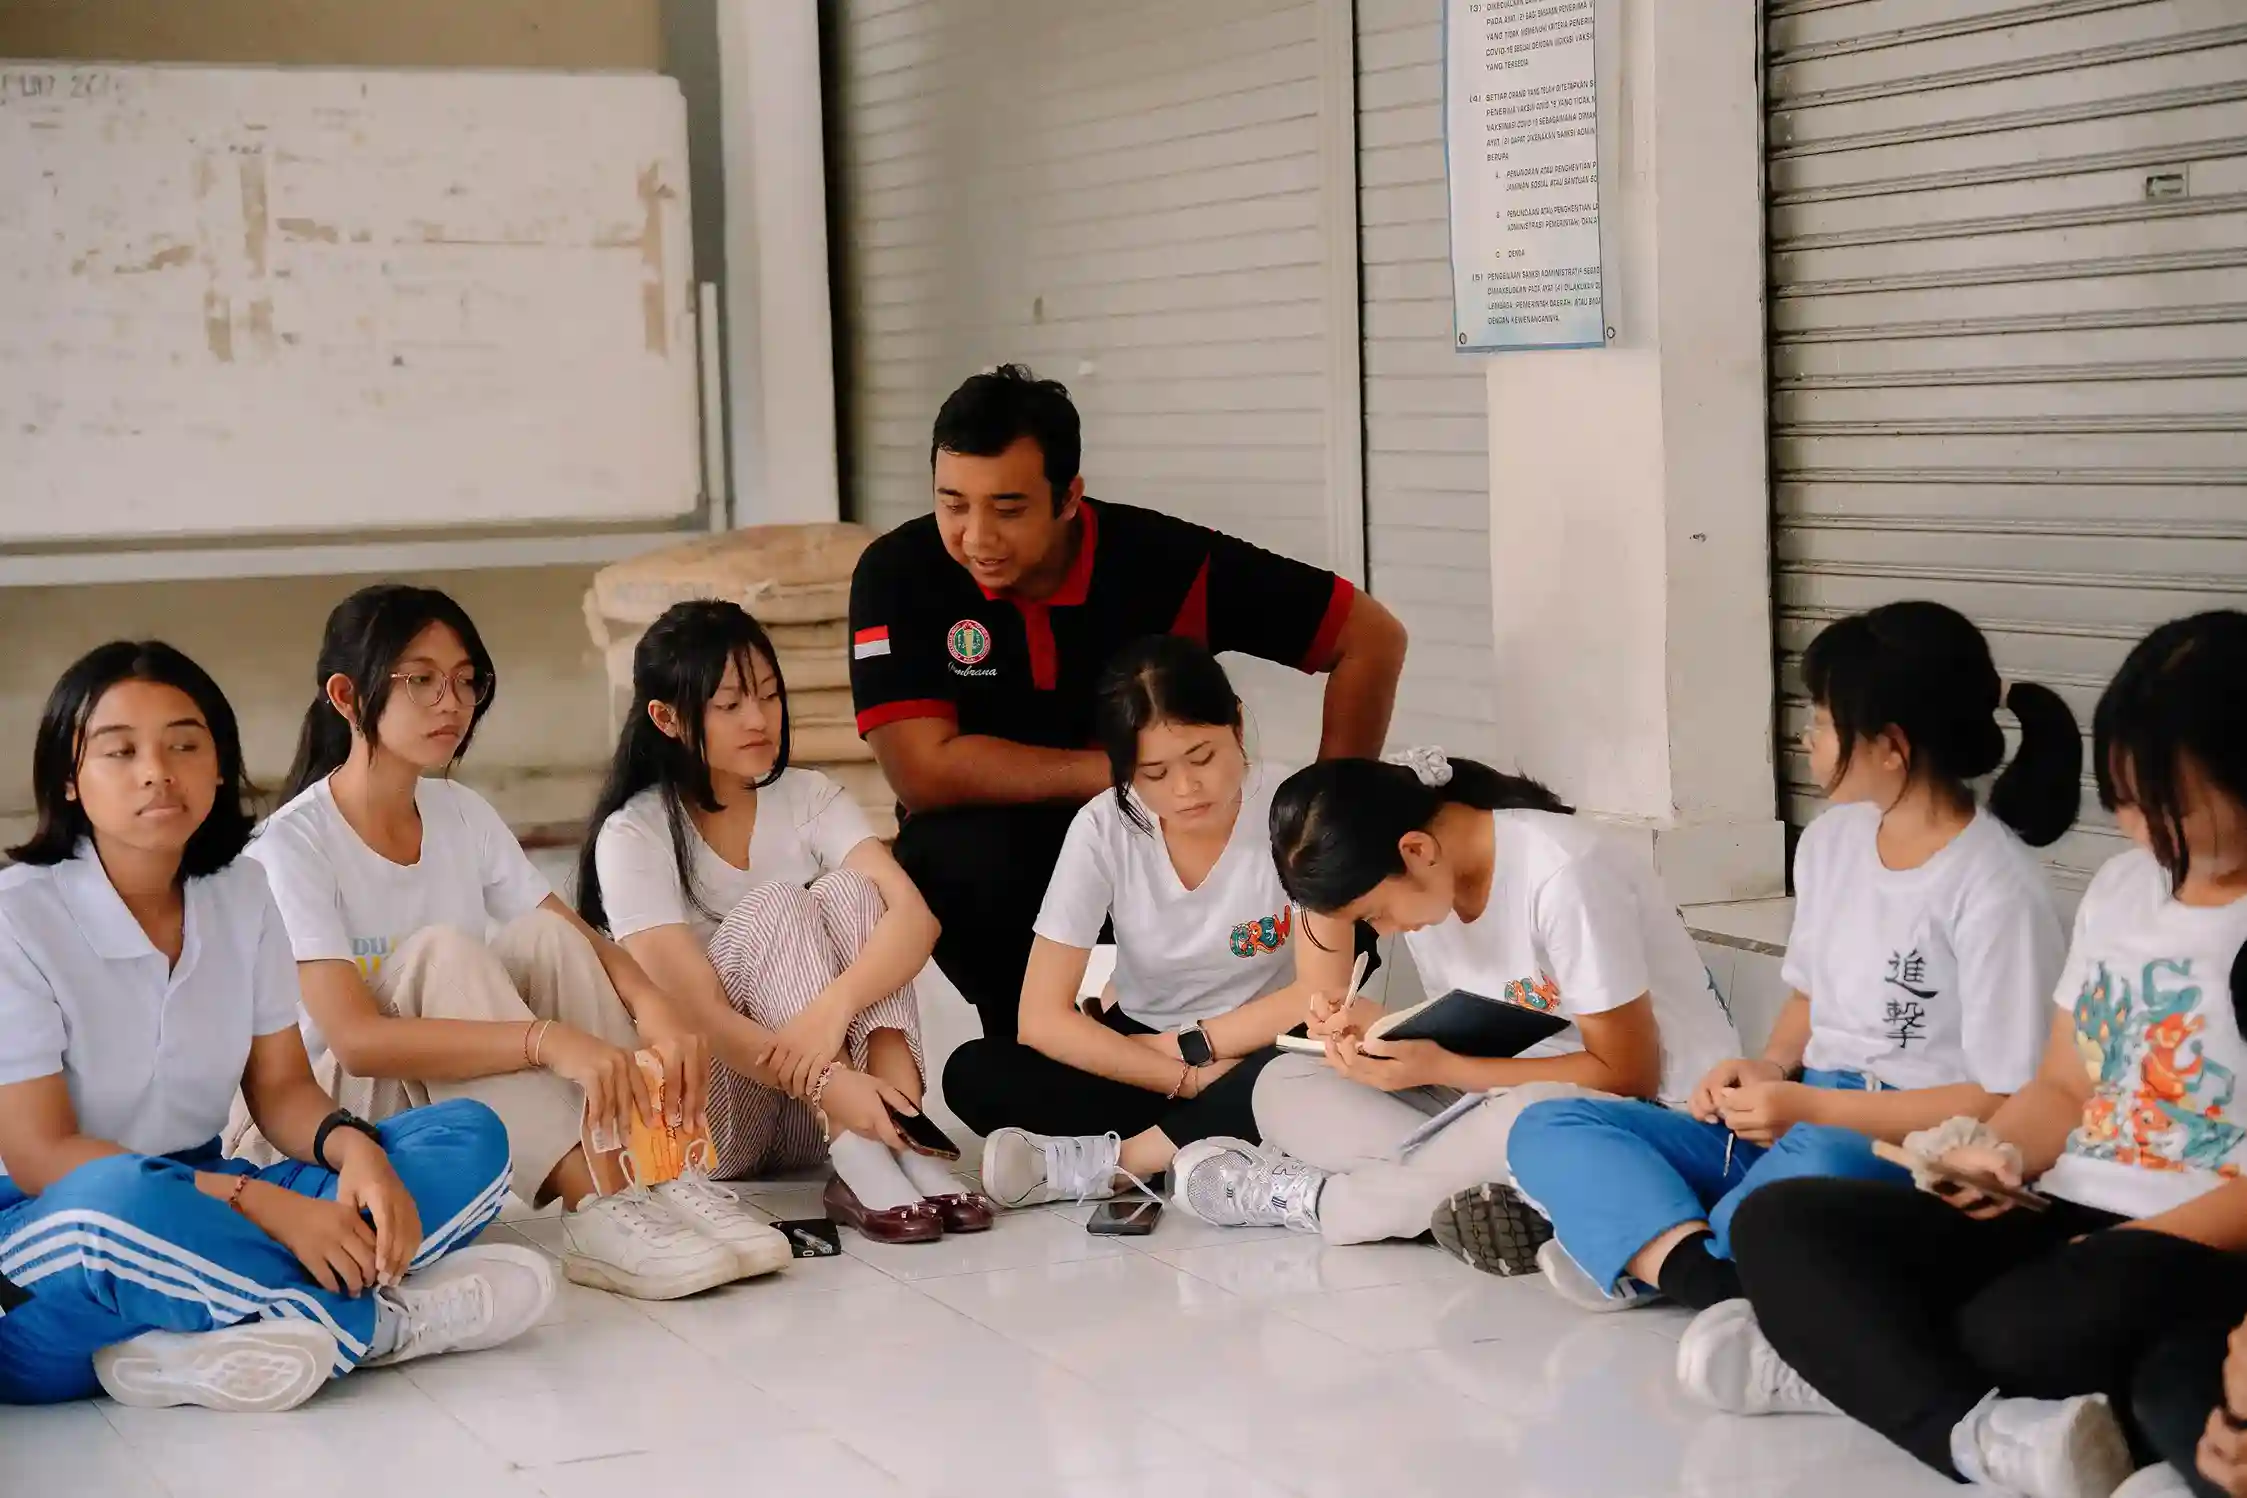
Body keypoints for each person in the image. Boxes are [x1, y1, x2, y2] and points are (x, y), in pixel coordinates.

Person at [1705, 611, 2247, 1498]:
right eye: (2120, 796)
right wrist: (1998, 1156)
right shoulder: (2121, 888)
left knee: (2023, 1325)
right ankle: (1969, 1423)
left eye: (2169, 804)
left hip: (2185, 1242)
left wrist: (2115, 1250)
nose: (2137, 826)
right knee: (1782, 1223)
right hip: (2062, 1211)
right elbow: (2062, 1083)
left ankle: (1855, 1374)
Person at [0, 641, 552, 1412]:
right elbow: (38, 1156)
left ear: (219, 765)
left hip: (205, 1198)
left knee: (469, 1140)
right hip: (46, 1242)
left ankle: (193, 1346)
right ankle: (377, 1321)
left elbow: (284, 1089)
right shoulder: (18, 915)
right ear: (69, 778)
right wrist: (263, 1206)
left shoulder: (240, 892)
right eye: (120, 752)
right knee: (114, 1207)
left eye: (185, 745)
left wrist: (357, 1153)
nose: (157, 771)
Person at [1502, 601, 2078, 1309]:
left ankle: (1655, 1252)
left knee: (1817, 1164)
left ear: (1889, 744)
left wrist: (1812, 1108)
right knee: (1550, 1123)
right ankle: (1709, 1274)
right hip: (1799, 1114)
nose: (1807, 739)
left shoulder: (1995, 885)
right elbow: (1810, 995)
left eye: (1823, 721)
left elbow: (2001, 1096)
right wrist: (1766, 1068)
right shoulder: (1834, 840)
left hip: (1902, 1145)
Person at [243, 585, 782, 1303]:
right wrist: (543, 1040)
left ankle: (654, 1178)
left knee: (551, 940)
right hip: (329, 1127)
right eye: (421, 680)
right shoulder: (293, 843)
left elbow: (574, 936)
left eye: (467, 681)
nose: (451, 702)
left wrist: (655, 1005)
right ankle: (597, 1204)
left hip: (436, 1112)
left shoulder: (460, 812)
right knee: (445, 953)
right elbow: (356, 1040)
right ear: (346, 695)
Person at [848, 364, 1409, 1040]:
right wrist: (1131, 774)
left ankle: (1242, 1042)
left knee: (1337, 870)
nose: (976, 538)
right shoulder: (898, 573)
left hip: (1173, 838)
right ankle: (1037, 1043)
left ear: (1067, 498)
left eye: (1008, 509)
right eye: (952, 504)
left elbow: (1370, 638)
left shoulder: (1166, 561)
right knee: (946, 858)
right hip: (1010, 855)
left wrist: (1327, 817)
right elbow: (924, 772)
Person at [1169, 747, 1738, 1244]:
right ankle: (1491, 1199)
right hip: (1496, 1096)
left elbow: (1626, 1074)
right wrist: (1378, 1040)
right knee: (1283, 1084)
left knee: (1530, 1118)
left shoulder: (1565, 876)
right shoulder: (1434, 880)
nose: (1385, 931)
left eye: (1376, 914)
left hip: (1648, 1113)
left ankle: (1327, 1205)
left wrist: (1441, 1066)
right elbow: (1488, 1029)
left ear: (1415, 850)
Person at [582, 599, 988, 1245]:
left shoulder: (809, 795)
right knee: (778, 904)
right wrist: (828, 1080)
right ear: (666, 718)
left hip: (821, 1114)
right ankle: (863, 1150)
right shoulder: (634, 833)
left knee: (857, 891)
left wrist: (833, 1009)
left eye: (769, 697)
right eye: (730, 704)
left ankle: (901, 1132)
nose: (759, 719)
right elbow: (694, 1013)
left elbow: (915, 917)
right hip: (715, 1123)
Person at [941, 636, 1356, 1207]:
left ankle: (1114, 1162)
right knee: (975, 1072)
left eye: (1203, 757)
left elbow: (1322, 990)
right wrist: (1184, 1077)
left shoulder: (1298, 810)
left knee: (1322, 1055)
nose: (1185, 789)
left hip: (1263, 1046)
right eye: (1153, 773)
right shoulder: (1103, 827)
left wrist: (1194, 1047)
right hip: (1147, 1055)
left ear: (1237, 724)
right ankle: (1215, 1139)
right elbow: (1040, 1017)